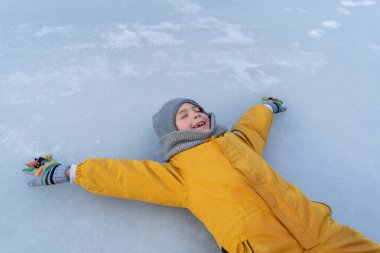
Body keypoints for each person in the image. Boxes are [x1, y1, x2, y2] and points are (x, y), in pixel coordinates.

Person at [22, 97, 380, 253]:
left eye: (197, 109)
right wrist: (69, 171)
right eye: (185, 115)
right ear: (172, 132)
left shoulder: (239, 141)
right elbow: (126, 176)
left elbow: (253, 124)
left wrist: (267, 106)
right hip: (265, 246)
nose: (196, 115)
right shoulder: (181, 173)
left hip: (322, 229)